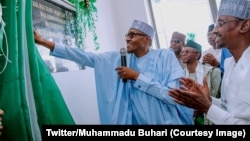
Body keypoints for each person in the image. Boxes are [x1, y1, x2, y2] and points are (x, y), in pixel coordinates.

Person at [34, 20, 194, 124]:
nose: (127, 39)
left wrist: (137, 77)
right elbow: (86, 57)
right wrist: (45, 42)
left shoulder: (165, 56)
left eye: (132, 35)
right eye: (127, 35)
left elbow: (174, 97)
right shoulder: (118, 58)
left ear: (147, 40)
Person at [168, 0, 250, 124]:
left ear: (244, 26)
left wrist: (206, 107)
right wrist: (208, 99)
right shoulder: (229, 64)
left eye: (221, 23)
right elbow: (229, 108)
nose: (215, 31)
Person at [181, 39, 221, 125]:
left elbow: (220, 99)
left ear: (197, 55)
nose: (183, 54)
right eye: (182, 52)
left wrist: (201, 105)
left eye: (187, 51)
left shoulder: (213, 72)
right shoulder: (180, 76)